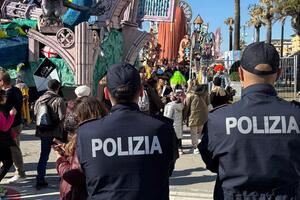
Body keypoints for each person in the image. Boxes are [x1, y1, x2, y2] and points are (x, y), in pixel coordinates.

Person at [199, 42, 300, 199]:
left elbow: (211, 163)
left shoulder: (218, 119)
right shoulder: (296, 115)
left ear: (240, 73)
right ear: (279, 73)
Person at [76, 63, 178, 199]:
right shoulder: (162, 128)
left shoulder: (87, 132)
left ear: (106, 93)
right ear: (141, 91)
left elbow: (84, 173)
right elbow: (168, 169)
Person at [54, 96, 107, 200]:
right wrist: (67, 153)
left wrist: (60, 159)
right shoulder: (103, 134)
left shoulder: (85, 137)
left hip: (81, 194)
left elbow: (73, 175)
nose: (73, 118)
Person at [34, 79, 66, 189]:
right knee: (62, 154)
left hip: (43, 131)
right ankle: (64, 175)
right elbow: (63, 117)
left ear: (48, 87)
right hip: (57, 131)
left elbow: (35, 115)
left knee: (44, 155)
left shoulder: (39, 99)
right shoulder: (59, 100)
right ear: (58, 88)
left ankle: (40, 179)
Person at [0, 71, 26, 183]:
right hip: (15, 124)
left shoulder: (8, 94)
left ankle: (20, 173)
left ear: (2, 82)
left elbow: (8, 112)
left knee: (14, 149)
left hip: (11, 125)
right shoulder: (16, 90)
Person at [184, 84, 209, 154]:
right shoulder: (205, 94)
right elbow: (208, 103)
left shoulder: (190, 95)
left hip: (192, 116)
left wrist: (184, 116)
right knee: (201, 133)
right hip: (203, 116)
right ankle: (202, 145)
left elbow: (187, 107)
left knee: (194, 133)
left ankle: (195, 147)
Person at [0, 90, 17, 183]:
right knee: (8, 162)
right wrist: (12, 115)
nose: (6, 98)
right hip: (2, 142)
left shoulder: (2, 108)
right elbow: (4, 127)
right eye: (4, 96)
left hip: (3, 140)